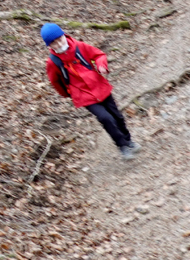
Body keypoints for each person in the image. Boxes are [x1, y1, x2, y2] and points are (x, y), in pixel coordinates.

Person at [40, 22, 137, 158]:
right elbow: (55, 81)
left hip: (99, 86)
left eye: (60, 40)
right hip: (83, 95)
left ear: (64, 35)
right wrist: (68, 93)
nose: (59, 45)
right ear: (49, 46)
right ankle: (122, 145)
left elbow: (98, 55)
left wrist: (101, 65)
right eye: (54, 43)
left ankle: (128, 140)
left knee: (117, 116)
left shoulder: (80, 46)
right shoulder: (53, 62)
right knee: (105, 118)